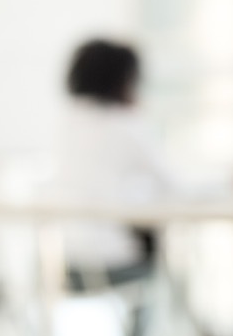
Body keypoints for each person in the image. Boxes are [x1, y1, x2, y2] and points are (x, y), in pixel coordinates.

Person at [50, 38, 179, 285]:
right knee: (167, 266)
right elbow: (174, 184)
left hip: (66, 262)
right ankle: (150, 325)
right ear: (124, 80)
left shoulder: (67, 123)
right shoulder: (126, 125)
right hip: (114, 262)